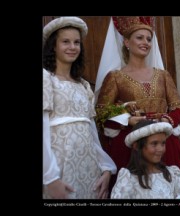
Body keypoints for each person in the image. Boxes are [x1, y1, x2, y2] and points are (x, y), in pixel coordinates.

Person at [95, 16, 180, 196]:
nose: (145, 42)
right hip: (132, 145)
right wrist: (128, 119)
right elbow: (101, 113)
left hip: (164, 142)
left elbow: (178, 108)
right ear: (126, 42)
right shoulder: (115, 77)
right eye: (139, 38)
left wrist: (167, 120)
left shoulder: (163, 75)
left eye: (148, 39)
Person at [43, 16, 117, 199]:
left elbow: (91, 132)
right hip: (59, 167)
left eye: (76, 42)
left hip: (89, 168)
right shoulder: (46, 79)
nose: (72, 47)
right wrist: (49, 178)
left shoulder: (83, 86)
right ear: (54, 45)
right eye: (65, 42)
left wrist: (106, 168)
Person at [110, 120, 180, 199]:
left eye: (163, 143)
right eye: (154, 144)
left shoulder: (171, 174)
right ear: (137, 146)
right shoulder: (128, 179)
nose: (160, 149)